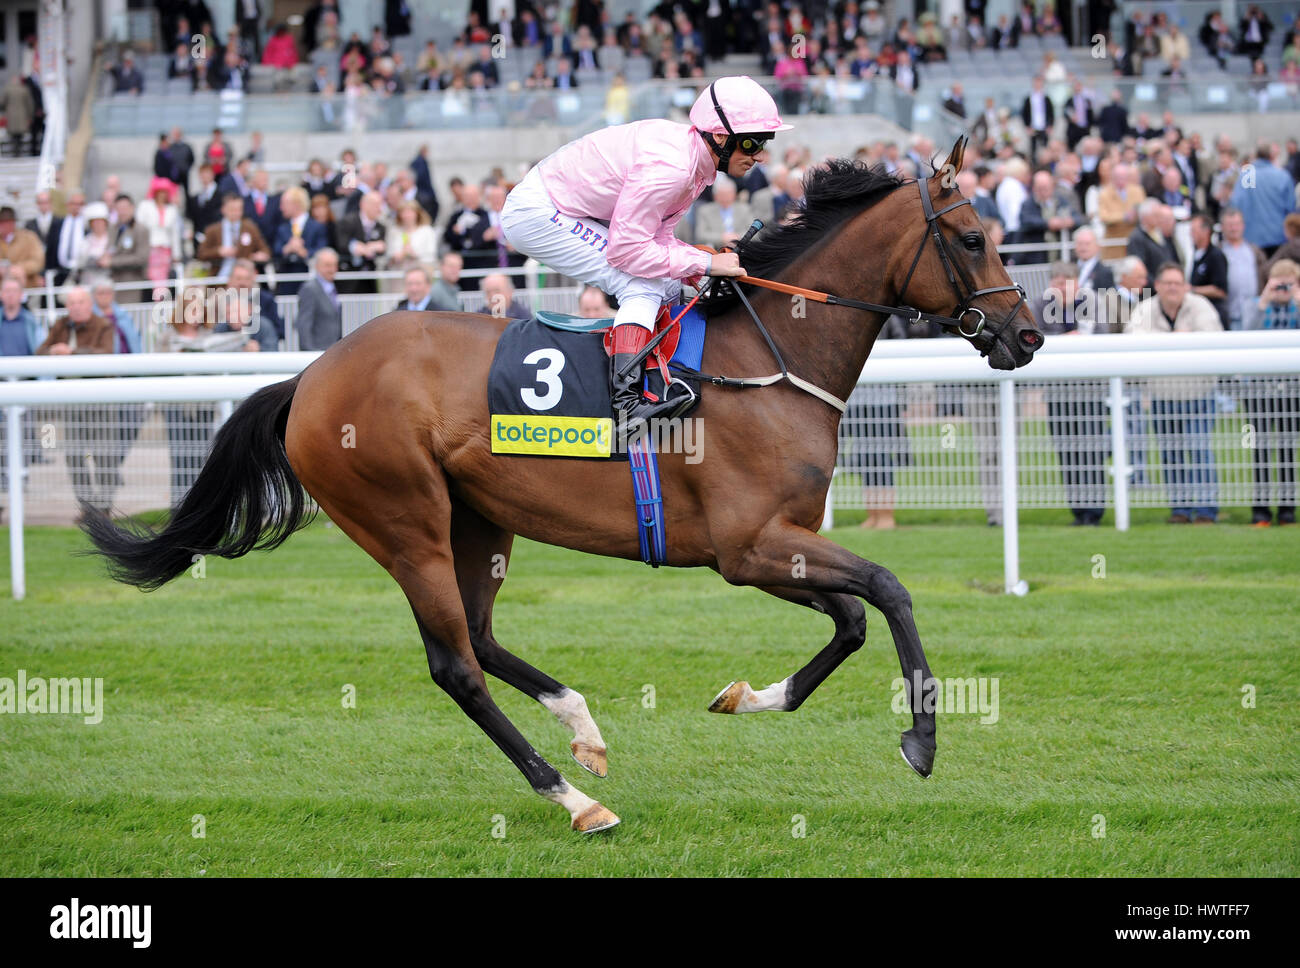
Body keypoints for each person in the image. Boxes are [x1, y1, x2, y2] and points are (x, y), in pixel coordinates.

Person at [500, 76, 785, 431]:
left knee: (667, 286)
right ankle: (626, 405)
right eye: (751, 142)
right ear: (722, 137)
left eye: (765, 142)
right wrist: (705, 262)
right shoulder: (674, 169)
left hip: (569, 208)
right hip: (539, 213)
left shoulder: (697, 163)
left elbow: (657, 237)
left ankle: (659, 379)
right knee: (642, 286)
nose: (759, 154)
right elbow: (627, 252)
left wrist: (697, 265)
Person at [1125, 263, 1222, 524]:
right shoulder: (1145, 309)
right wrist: (1179, 337)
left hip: (1199, 393)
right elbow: (1132, 338)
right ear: (1157, 286)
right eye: (1167, 283)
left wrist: (1164, 342)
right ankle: (1179, 509)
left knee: (1199, 447)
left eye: (1177, 283)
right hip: (1163, 395)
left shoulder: (1200, 306)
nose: (1172, 288)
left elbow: (1212, 337)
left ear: (1185, 286)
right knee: (1171, 453)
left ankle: (1206, 510)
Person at [1243, 259, 1300, 525]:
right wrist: (1265, 298)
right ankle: (1260, 510)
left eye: (1289, 283)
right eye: (1280, 283)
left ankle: (1287, 510)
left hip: (1292, 389)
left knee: (1289, 450)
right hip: (1259, 390)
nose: (1284, 289)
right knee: (1260, 449)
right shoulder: (1256, 305)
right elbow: (1245, 334)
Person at [1228, 142, 1297, 256]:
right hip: (1279, 237)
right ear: (1272, 156)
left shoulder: (1247, 175)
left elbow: (1236, 204)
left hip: (1252, 238)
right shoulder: (1282, 175)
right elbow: (1290, 208)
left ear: (1255, 155)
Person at [197, 192, 270, 277]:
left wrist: (257, 256)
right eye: (232, 209)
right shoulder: (213, 230)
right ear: (223, 209)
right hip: (220, 278)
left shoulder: (250, 228)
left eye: (239, 209)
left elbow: (265, 250)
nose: (236, 213)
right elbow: (201, 254)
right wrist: (219, 251)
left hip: (244, 278)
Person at [273, 186, 328, 296]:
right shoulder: (282, 228)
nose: (281, 208)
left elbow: (322, 249)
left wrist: (305, 252)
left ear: (296, 204)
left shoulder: (317, 227)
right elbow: (276, 250)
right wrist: (288, 248)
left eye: (284, 204)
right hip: (286, 283)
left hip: (310, 280)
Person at [1219, 207, 1266, 331]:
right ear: (1222, 227)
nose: (1234, 228)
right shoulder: (1218, 251)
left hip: (1254, 313)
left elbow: (1264, 276)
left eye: (1236, 224)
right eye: (1230, 225)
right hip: (1229, 313)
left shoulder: (1254, 250)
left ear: (1243, 226)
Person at [295, 248, 343, 350]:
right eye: (327, 265)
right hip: (317, 354)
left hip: (332, 352)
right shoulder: (310, 289)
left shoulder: (332, 288)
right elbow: (304, 324)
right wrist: (309, 352)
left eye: (334, 265)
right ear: (317, 266)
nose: (332, 269)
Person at [1188, 214, 1229, 328]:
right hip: (1198, 311)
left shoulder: (1216, 255)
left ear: (1206, 231)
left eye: (1193, 230)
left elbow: (1221, 291)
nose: (1190, 234)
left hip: (1214, 313)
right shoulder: (1195, 254)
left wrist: (1192, 290)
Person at [0, 206, 44, 284]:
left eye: (7, 222)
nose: (3, 226)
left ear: (13, 223)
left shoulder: (28, 237)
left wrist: (20, 268)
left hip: (27, 283)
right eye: (2, 222)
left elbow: (38, 261)